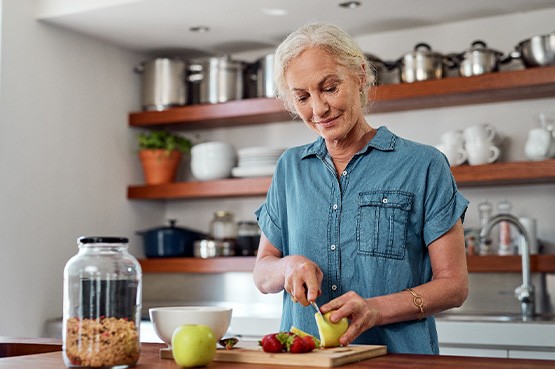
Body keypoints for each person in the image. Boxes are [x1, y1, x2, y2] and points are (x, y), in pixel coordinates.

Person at [252, 23, 469, 354]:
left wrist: (376, 309)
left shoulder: (424, 165)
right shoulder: (289, 168)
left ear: (360, 76)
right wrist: (287, 266)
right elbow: (263, 273)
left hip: (398, 360)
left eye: (329, 88)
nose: (319, 109)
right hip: (307, 359)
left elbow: (454, 286)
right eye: (303, 97)